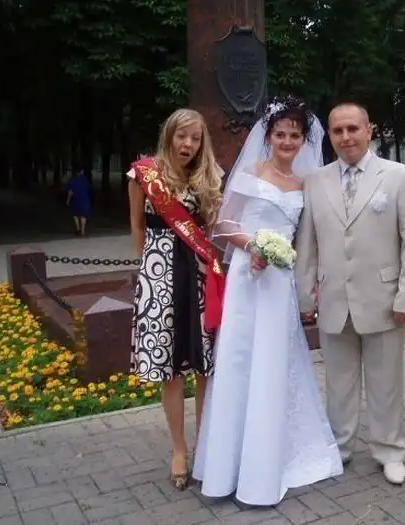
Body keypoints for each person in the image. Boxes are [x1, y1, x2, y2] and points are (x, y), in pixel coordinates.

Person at [192, 95, 343, 506]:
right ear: (269, 137)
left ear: (304, 141)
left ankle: (266, 464)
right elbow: (223, 225)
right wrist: (252, 246)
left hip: (279, 282)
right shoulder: (251, 173)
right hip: (247, 276)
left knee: (273, 362)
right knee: (240, 359)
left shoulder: (305, 185)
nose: (287, 142)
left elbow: (308, 237)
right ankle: (227, 466)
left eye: (295, 135)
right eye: (281, 134)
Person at [295, 102, 405, 485]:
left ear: (369, 130)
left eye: (353, 128)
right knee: (339, 383)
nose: (346, 136)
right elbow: (308, 243)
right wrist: (304, 295)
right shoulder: (315, 181)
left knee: (386, 382)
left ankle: (390, 450)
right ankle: (339, 447)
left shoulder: (398, 176)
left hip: (384, 299)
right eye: (338, 130)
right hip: (334, 298)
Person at [127, 108, 226, 490]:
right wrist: (150, 272)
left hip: (199, 278)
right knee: (169, 369)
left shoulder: (210, 177)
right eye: (181, 136)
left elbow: (212, 231)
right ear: (168, 136)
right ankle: (179, 450)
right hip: (160, 278)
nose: (188, 144)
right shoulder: (143, 175)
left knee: (204, 366)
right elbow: (137, 227)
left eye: (195, 138)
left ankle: (206, 445)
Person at [66, 169, 92, 236]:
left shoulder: (73, 180)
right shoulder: (85, 180)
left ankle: (78, 228)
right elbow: (89, 189)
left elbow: (70, 192)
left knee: (75, 214)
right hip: (85, 199)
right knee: (83, 215)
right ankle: (83, 231)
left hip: (76, 199)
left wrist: (68, 200)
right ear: (82, 171)